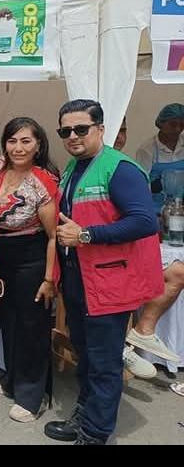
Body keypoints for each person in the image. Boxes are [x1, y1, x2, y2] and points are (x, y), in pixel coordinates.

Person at [46, 99, 162, 445]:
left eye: (81, 129)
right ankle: (85, 416)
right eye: (65, 131)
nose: (72, 136)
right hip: (80, 278)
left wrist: (86, 235)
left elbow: (144, 221)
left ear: (100, 129)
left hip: (110, 282)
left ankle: (95, 434)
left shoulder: (120, 169)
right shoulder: (74, 167)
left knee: (104, 362)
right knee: (85, 354)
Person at [0, 117, 59, 423]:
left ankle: (32, 395)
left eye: (26, 141)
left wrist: (49, 279)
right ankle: (13, 378)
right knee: (9, 321)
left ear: (38, 145)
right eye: (12, 140)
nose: (18, 147)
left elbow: (53, 236)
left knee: (32, 326)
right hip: (2, 254)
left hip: (33, 256)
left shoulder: (43, 181)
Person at [134, 103, 184, 213]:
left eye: (182, 125)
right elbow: (141, 185)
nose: (178, 129)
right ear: (161, 123)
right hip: (156, 209)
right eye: (173, 124)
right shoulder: (147, 150)